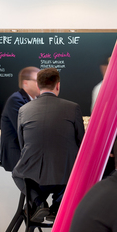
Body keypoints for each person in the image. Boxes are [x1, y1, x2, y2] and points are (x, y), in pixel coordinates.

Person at [13, 68, 84, 219]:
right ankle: (57, 206)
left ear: (38, 86)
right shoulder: (73, 108)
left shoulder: (24, 110)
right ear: (58, 85)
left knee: (17, 174)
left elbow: (22, 143)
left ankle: (39, 203)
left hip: (35, 177)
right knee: (76, 176)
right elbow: (81, 143)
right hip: (65, 177)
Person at [0, 66, 40, 172]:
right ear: (25, 83)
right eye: (37, 80)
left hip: (28, 155)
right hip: (17, 156)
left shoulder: (36, 100)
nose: (41, 84)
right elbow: (24, 129)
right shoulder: (16, 100)